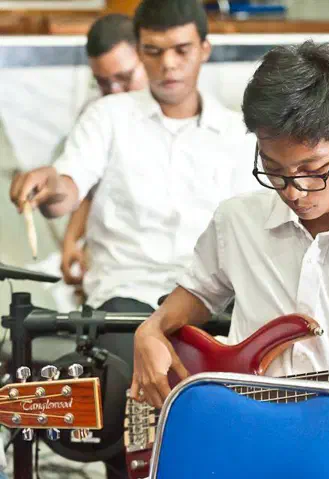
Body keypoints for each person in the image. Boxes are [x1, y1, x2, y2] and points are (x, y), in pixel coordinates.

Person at [130, 41, 329, 478]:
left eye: (313, 170)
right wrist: (151, 330)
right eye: (274, 169)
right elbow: (196, 295)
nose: (293, 190)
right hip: (242, 442)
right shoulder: (237, 222)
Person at [9, 0, 258, 477]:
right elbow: (68, 187)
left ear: (204, 49)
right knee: (129, 397)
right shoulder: (109, 117)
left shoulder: (236, 134)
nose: (168, 64)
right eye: (154, 51)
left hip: (211, 308)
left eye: (181, 50)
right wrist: (47, 185)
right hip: (124, 304)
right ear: (140, 52)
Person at [61, 13, 149, 291]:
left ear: (146, 56)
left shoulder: (182, 109)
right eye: (103, 82)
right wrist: (71, 241)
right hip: (119, 267)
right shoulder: (95, 114)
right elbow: (86, 185)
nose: (114, 91)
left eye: (124, 77)